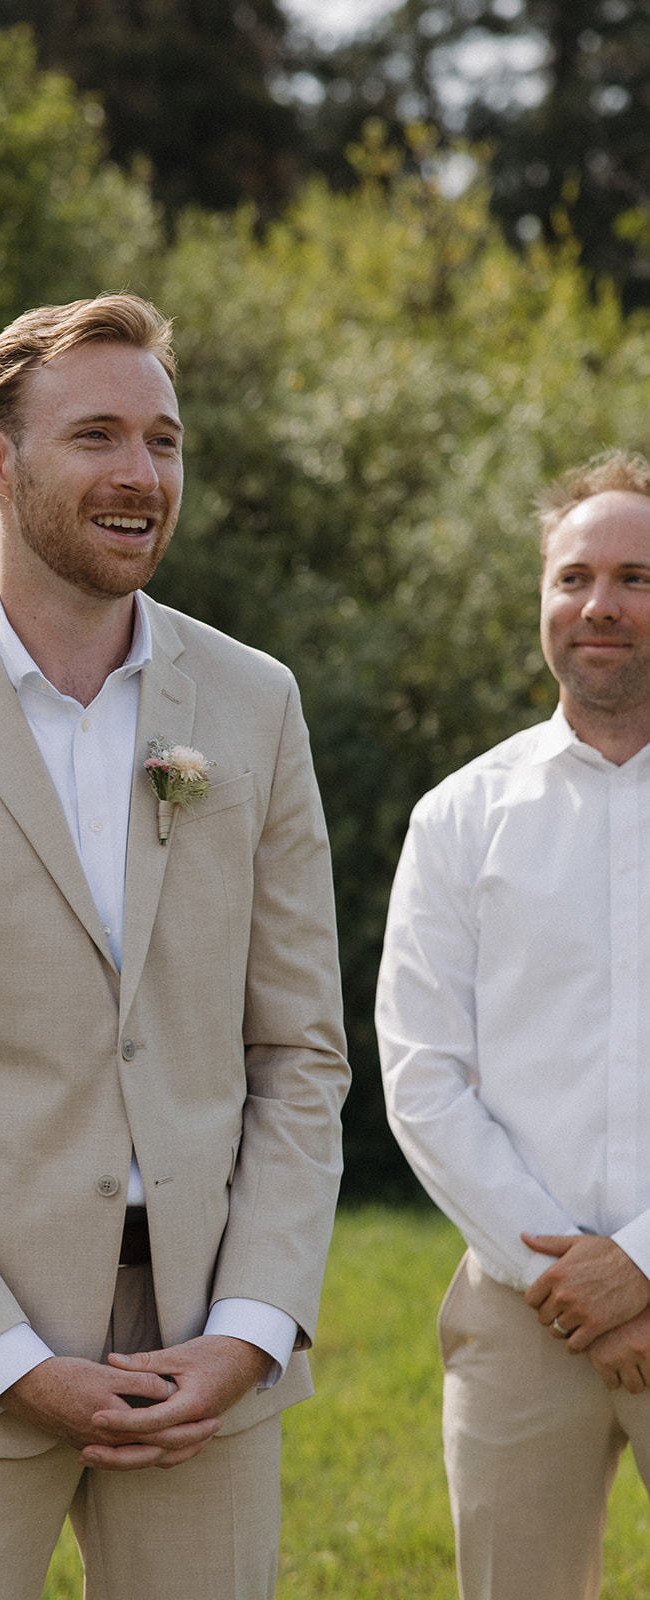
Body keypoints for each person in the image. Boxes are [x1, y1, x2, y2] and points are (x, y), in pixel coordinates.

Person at [0, 293, 348, 1600]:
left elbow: (299, 1051)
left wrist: (249, 1332)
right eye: (95, 435)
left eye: (164, 440)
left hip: (205, 1360)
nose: (140, 475)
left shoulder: (254, 704)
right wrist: (3, 1358)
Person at [376, 449, 650, 1600]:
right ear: (539, 596)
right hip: (516, 1314)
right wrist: (573, 1285)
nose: (599, 604)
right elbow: (420, 1074)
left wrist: (638, 1262)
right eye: (572, 575)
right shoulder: (457, 816)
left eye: (636, 576)